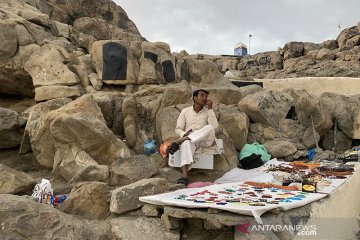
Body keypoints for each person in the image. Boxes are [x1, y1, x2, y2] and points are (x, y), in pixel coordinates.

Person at [167, 89, 219, 186]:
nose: (205, 98)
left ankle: (180, 141)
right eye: (202, 96)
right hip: (191, 141)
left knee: (210, 127)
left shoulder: (208, 111)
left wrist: (210, 109)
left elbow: (215, 126)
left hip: (204, 141)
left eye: (206, 97)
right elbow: (178, 129)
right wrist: (185, 135)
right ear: (195, 98)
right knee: (186, 143)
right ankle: (185, 177)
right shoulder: (185, 111)